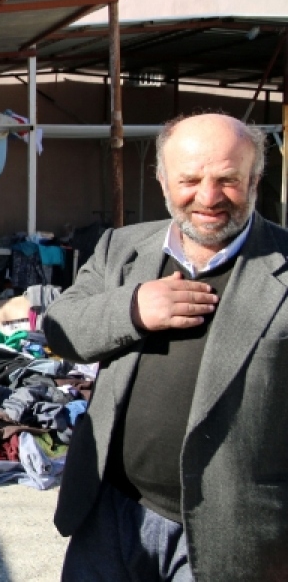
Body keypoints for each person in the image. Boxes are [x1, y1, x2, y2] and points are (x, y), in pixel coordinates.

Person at [45, 113, 288, 582]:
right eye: (190, 179)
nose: (209, 197)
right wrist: (132, 310)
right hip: (111, 512)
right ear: (161, 180)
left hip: (231, 533)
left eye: (228, 180)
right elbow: (61, 328)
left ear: (256, 179)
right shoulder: (123, 248)